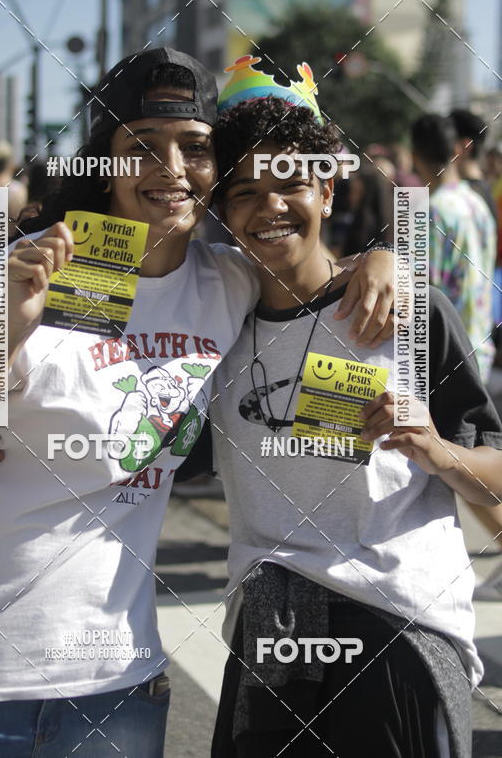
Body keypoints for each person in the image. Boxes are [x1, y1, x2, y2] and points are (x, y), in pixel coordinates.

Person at [0, 48, 395, 756]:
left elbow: (309, 267)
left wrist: (383, 259)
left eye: (194, 149)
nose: (171, 169)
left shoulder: (227, 283)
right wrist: (6, 332)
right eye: (141, 147)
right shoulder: (38, 265)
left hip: (118, 686)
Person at [202, 71, 502, 758]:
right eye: (244, 192)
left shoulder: (408, 313)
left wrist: (438, 451)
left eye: (290, 185)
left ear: (328, 190)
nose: (269, 207)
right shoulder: (215, 323)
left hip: (398, 626)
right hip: (269, 633)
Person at [412, 113, 496, 381]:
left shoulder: (430, 211)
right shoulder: (477, 202)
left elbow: (422, 290)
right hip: (479, 348)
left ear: (415, 156)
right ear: (454, 150)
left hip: (446, 357)